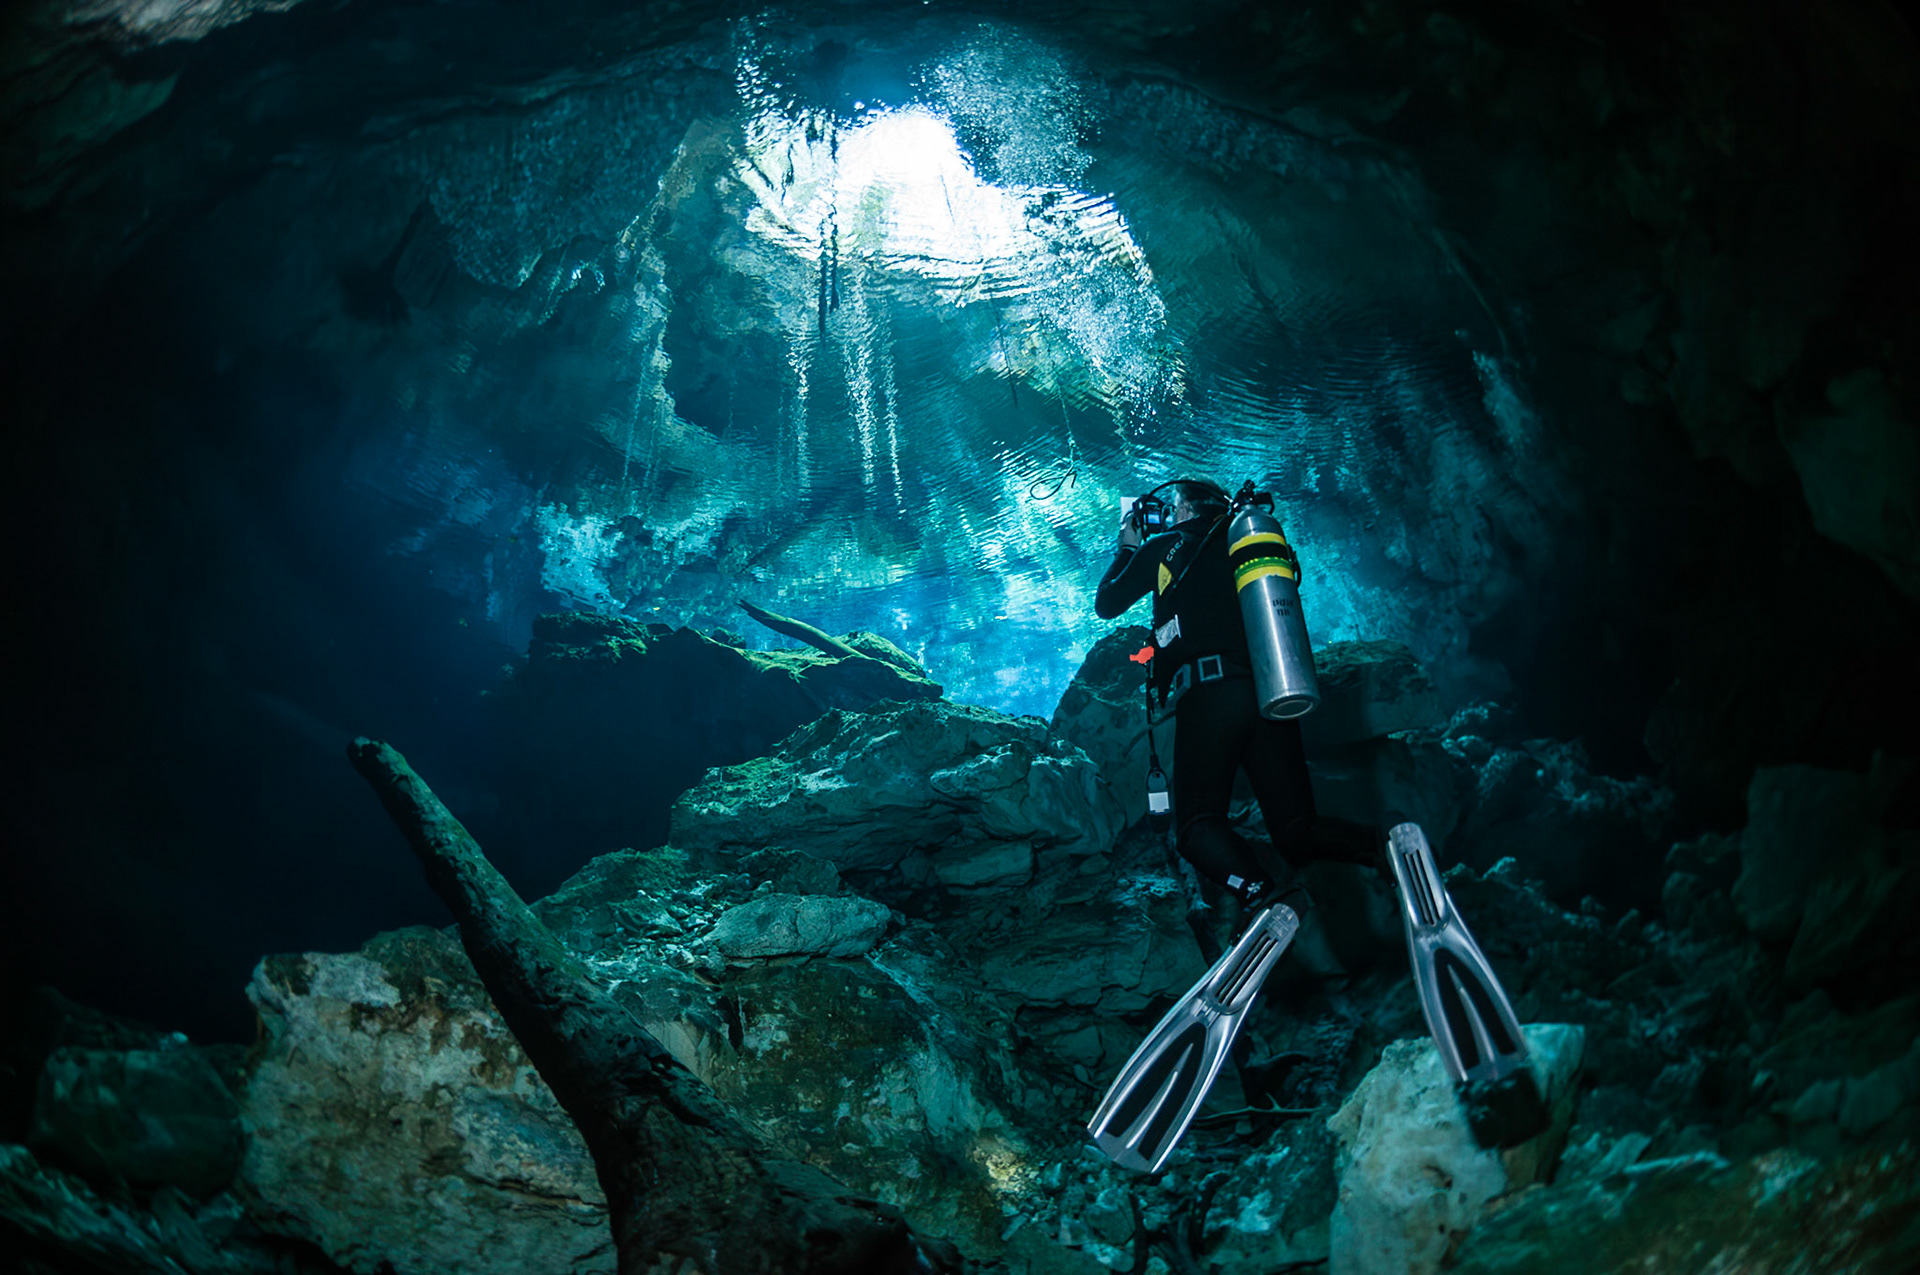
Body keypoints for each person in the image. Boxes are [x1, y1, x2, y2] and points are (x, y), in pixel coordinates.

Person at [1094, 479, 1373, 914]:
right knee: (1297, 831)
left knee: (1196, 829)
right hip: (1270, 690)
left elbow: (1107, 602)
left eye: (1173, 509)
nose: (1171, 516)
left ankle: (1263, 897)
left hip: (1211, 697)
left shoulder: (1168, 545)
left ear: (1185, 509)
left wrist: (1129, 546)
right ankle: (1385, 848)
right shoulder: (1245, 542)